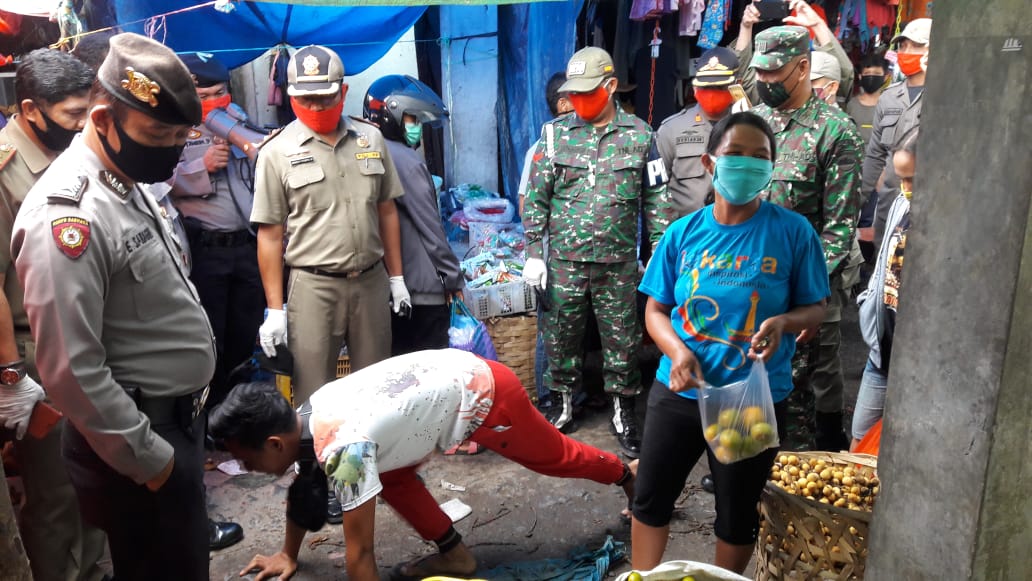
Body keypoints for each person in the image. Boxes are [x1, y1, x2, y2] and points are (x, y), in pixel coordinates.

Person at [11, 33, 217, 579]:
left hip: (173, 424)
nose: (173, 148)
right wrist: (152, 461)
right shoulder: (67, 217)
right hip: (139, 439)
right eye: (159, 134)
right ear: (102, 120)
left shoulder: (128, 180)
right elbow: (70, 368)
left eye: (181, 135)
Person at [209, 349, 636, 581]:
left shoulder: (345, 452)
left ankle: (628, 474)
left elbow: (361, 555)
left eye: (246, 459)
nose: (246, 468)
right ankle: (457, 558)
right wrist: (287, 553)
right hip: (444, 377)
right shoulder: (307, 417)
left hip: (485, 394)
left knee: (557, 459)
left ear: (273, 442)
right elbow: (305, 486)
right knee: (391, 479)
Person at [633, 112, 829, 573]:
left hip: (752, 398)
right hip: (680, 388)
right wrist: (677, 351)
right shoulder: (682, 234)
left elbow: (815, 307)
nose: (747, 165)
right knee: (650, 498)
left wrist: (785, 321)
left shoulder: (793, 232)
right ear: (709, 161)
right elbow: (655, 311)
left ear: (771, 168)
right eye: (735, 155)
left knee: (736, 514)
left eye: (759, 157)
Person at [522, 46, 672, 457]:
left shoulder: (642, 136)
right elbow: (535, 198)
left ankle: (624, 412)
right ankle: (563, 404)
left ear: (609, 87)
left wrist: (656, 255)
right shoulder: (553, 135)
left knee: (622, 340)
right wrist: (535, 251)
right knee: (561, 337)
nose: (577, 101)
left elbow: (657, 201)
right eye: (574, 94)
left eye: (587, 92)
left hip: (618, 264)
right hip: (565, 263)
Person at [0, 47, 107, 581]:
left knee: (95, 479)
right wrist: (11, 378)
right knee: (55, 497)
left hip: (89, 344)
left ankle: (93, 571)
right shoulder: (4, 171)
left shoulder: (78, 157)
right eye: (72, 116)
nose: (83, 125)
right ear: (30, 109)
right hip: (38, 360)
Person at [252, 45, 408, 405]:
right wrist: (276, 310)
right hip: (312, 288)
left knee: (376, 388)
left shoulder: (370, 140)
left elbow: (386, 211)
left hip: (370, 282)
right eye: (305, 100)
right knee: (312, 395)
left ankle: (374, 460)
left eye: (325, 97)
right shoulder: (276, 152)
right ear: (291, 99)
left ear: (343, 92)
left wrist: (397, 279)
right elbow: (270, 235)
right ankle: (314, 463)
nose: (316, 108)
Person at [749, 25, 865, 451]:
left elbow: (837, 231)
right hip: (751, 280)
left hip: (802, 290)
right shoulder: (755, 123)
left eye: (772, 74)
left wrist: (808, 302)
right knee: (747, 377)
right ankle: (745, 464)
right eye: (758, 73)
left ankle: (781, 484)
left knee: (796, 392)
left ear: (802, 67)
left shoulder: (835, 132)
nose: (763, 82)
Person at [172, 52, 265, 405]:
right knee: (212, 334)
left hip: (246, 245)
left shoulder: (237, 119)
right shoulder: (173, 127)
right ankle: (211, 413)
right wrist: (202, 165)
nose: (215, 101)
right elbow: (156, 181)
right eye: (206, 94)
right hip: (204, 249)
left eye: (221, 91)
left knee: (245, 332)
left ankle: (238, 410)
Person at [362, 74, 463, 356]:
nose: (417, 127)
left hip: (388, 289)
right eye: (412, 119)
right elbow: (431, 229)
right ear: (390, 115)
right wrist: (453, 277)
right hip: (421, 290)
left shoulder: (370, 152)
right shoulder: (406, 160)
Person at [852, 129, 918, 449]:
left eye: (914, 180)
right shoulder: (899, 206)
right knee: (858, 445)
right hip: (882, 353)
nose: (906, 189)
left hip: (918, 363)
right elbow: (882, 266)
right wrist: (869, 306)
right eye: (901, 178)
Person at [517, 71, 573, 408]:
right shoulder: (542, 148)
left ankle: (571, 394)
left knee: (571, 331)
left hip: (575, 257)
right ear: (564, 104)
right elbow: (527, 204)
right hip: (551, 256)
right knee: (549, 328)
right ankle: (547, 396)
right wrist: (538, 253)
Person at [862, 18, 931, 254]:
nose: (907, 52)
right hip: (888, 206)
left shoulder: (946, 96)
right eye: (903, 46)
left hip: (927, 210)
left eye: (916, 46)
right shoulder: (889, 97)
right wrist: (856, 203)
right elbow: (875, 156)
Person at [656, 46, 739, 218]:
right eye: (706, 88)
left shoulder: (749, 130)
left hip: (737, 233)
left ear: (737, 86)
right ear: (695, 88)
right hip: (687, 234)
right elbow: (655, 190)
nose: (712, 93)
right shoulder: (671, 129)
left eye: (719, 87)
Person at [733, 0, 854, 108]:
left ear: (832, 87)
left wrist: (817, 24)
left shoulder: (836, 123)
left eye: (813, 81)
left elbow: (844, 73)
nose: (804, 84)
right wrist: (746, 26)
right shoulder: (771, 107)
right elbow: (745, 77)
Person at [848, 52, 890, 269]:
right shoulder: (851, 106)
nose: (871, 77)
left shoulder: (889, 105)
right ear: (860, 76)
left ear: (886, 76)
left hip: (879, 179)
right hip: (851, 175)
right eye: (867, 73)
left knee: (869, 224)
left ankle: (866, 269)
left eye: (876, 74)